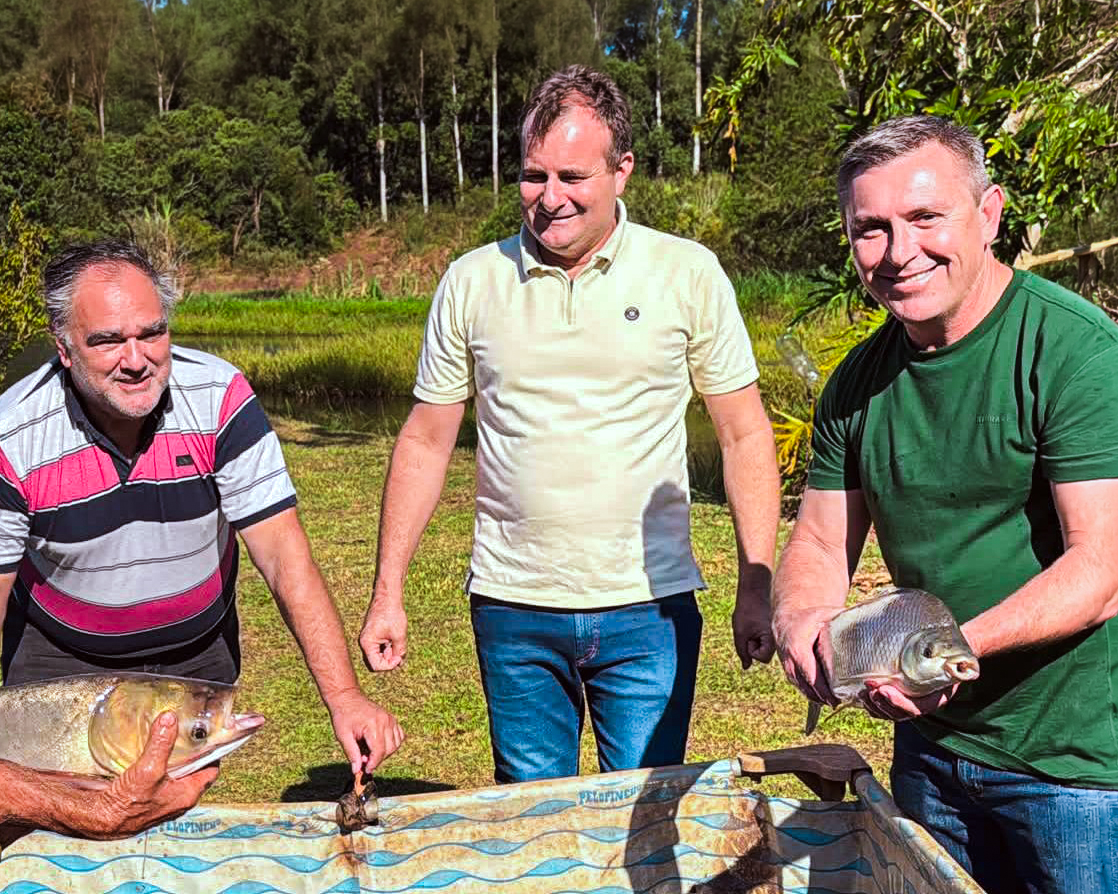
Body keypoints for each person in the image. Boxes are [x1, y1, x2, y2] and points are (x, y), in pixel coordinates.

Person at [360, 65, 780, 784]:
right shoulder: (472, 281)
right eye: (532, 175)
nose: (548, 198)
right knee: (535, 818)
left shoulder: (687, 273)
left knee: (643, 816)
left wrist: (756, 582)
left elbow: (744, 434)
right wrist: (387, 590)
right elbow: (426, 440)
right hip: (513, 608)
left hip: (649, 612)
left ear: (623, 170)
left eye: (572, 177)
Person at [772, 115, 1118, 893]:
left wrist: (947, 650)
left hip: (1074, 765)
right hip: (929, 747)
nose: (899, 253)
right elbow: (822, 546)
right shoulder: (859, 382)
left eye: (926, 218)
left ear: (990, 214)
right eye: (871, 229)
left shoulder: (1074, 351)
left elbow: (1101, 567)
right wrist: (799, 622)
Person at [0, 241, 403, 836]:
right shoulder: (12, 437)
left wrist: (345, 698)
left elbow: (284, 558)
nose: (136, 359)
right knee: (55, 832)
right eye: (107, 340)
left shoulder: (219, 397)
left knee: (173, 829)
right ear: (63, 349)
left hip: (196, 657)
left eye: (152, 332)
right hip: (62, 667)